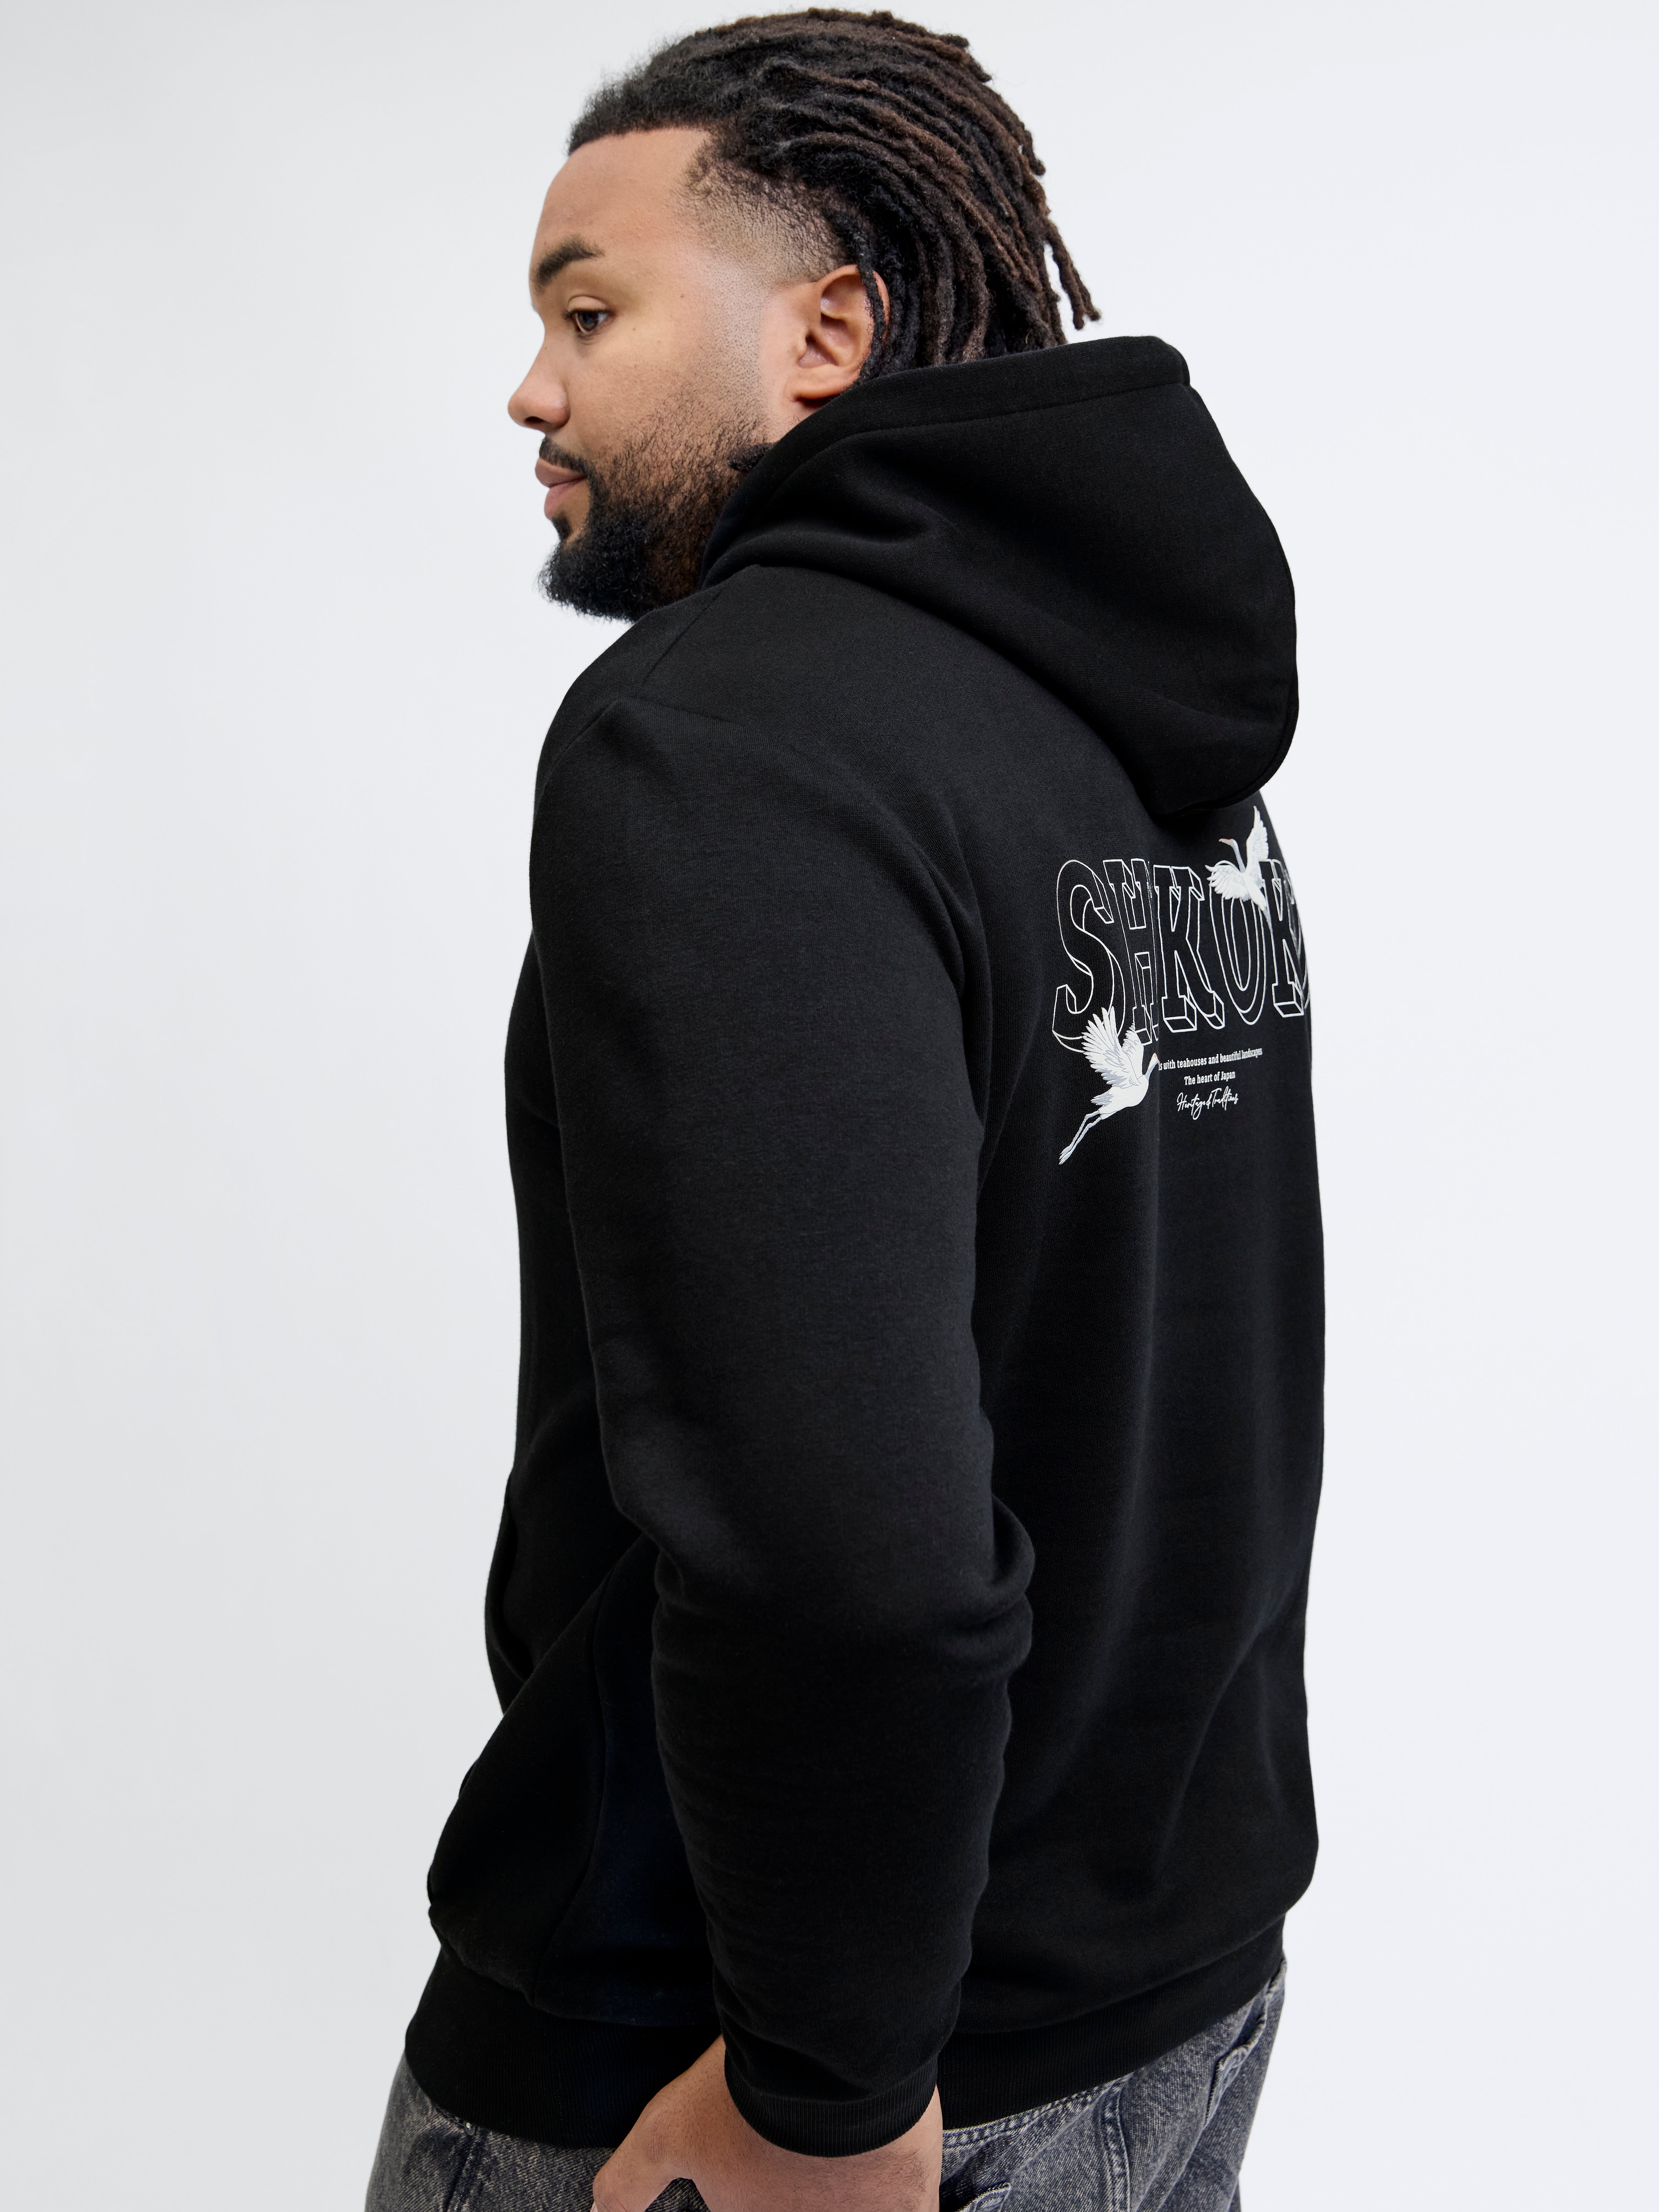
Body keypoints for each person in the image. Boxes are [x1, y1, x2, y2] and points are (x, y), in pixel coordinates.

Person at [367, 12, 1322, 2210]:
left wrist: (818, 2084)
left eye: (589, 314)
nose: (531, 391)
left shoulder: (722, 741)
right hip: (1162, 1994)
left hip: (759, 2060)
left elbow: (844, 1541)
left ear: (828, 331)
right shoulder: (1150, 731)